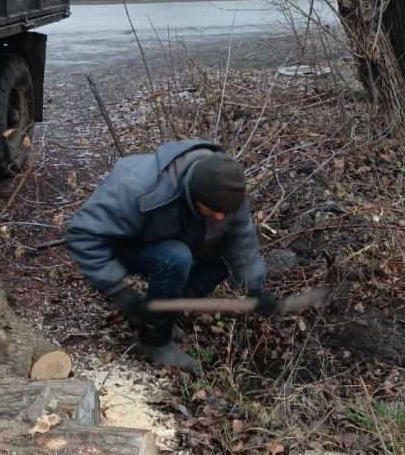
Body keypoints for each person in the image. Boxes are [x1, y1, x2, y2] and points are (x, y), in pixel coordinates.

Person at [66, 140, 276, 374]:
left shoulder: (225, 190)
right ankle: (153, 342)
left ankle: (162, 313)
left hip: (171, 235)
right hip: (123, 245)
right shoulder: (138, 187)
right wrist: (122, 293)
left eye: (224, 212)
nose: (220, 216)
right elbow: (81, 235)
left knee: (221, 257)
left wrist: (255, 287)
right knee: (176, 256)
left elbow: (242, 237)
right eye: (214, 210)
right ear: (194, 193)